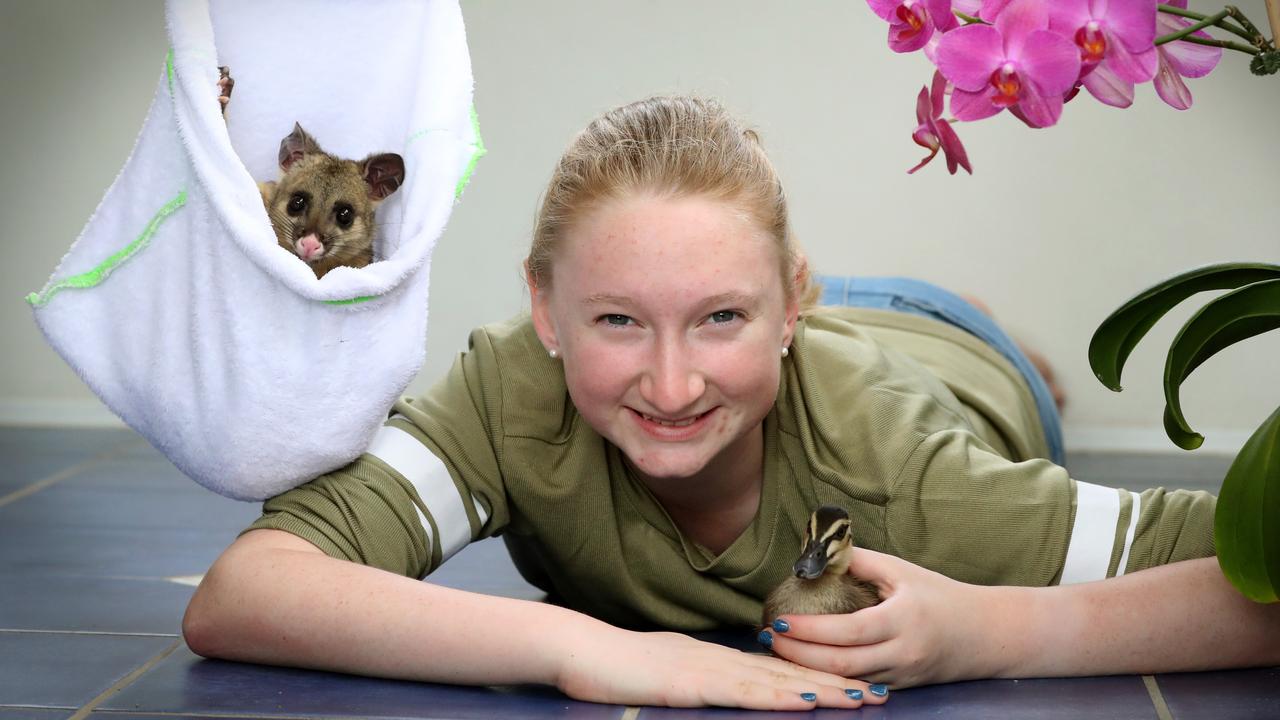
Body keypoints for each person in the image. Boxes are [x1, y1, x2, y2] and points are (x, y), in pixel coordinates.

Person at [182, 96, 1280, 711]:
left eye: (715, 318)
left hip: (935, 354)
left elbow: (1261, 576)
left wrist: (984, 629)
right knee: (714, 345)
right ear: (544, 311)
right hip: (798, 330)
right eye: (614, 321)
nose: (666, 388)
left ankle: (970, 328)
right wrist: (573, 645)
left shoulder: (898, 472)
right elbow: (243, 593)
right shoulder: (515, 392)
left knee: (982, 363)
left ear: (787, 303)